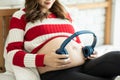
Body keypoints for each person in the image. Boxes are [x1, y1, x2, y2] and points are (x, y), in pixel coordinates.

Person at [5, 0, 120, 80]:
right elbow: (12, 54)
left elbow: (78, 43)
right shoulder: (21, 16)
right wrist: (43, 59)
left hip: (86, 64)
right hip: (57, 72)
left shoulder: (64, 13)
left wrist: (87, 51)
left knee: (116, 56)